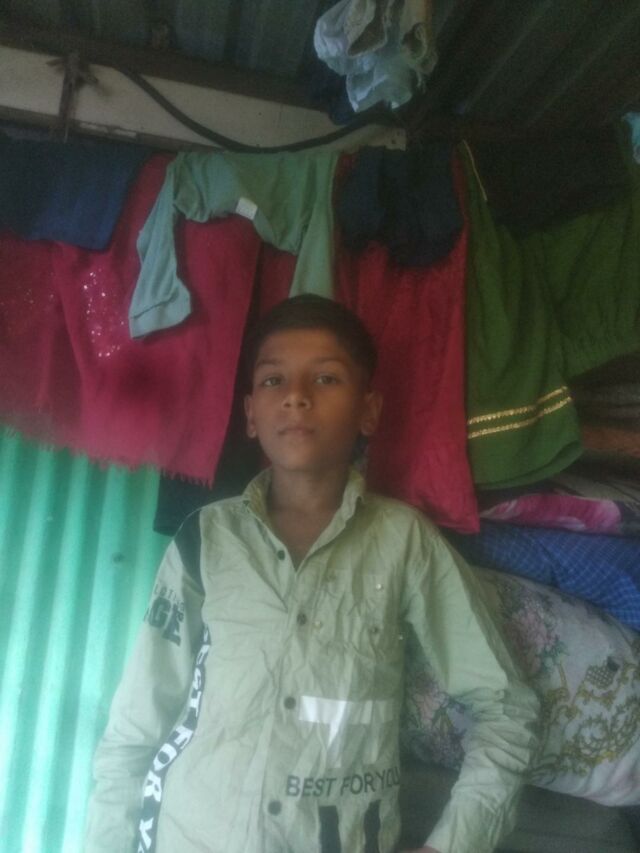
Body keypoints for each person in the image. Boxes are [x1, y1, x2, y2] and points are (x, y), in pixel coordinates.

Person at [85, 295, 539, 853]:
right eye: (273, 380)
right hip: (191, 834)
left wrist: (454, 844)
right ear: (250, 414)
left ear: (369, 411)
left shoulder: (405, 543)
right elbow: (137, 727)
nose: (296, 396)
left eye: (325, 378)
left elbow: (507, 708)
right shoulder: (207, 538)